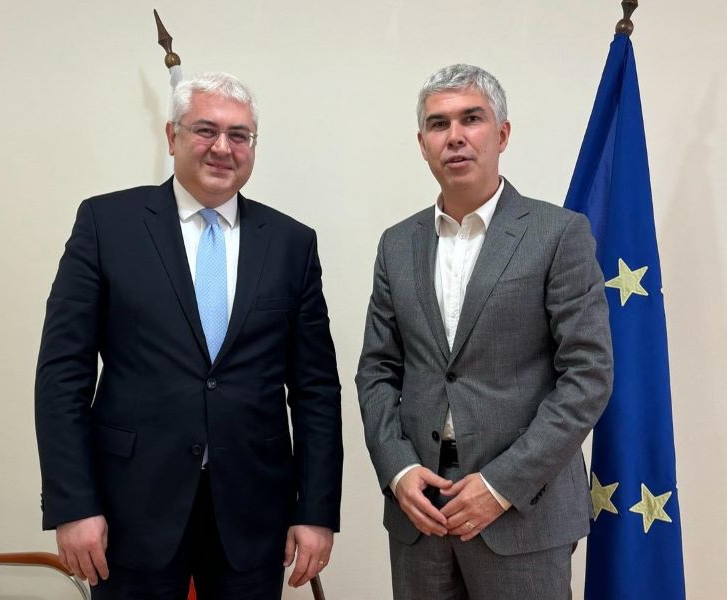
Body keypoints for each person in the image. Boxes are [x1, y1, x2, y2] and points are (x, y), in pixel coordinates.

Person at [35, 72, 342, 600]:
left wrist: (316, 511)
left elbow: (316, 390)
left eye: (239, 135)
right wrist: (73, 504)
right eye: (206, 130)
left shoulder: (292, 243)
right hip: (130, 511)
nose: (223, 147)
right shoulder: (107, 224)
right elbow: (63, 375)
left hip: (253, 512)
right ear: (172, 136)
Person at [355, 63, 613, 599]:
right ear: (422, 144)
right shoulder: (396, 244)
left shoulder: (558, 234)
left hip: (524, 512)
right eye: (438, 123)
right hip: (421, 511)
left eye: (471, 119)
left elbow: (587, 377)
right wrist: (398, 470)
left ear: (502, 133)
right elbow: (376, 371)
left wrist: (502, 485)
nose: (454, 136)